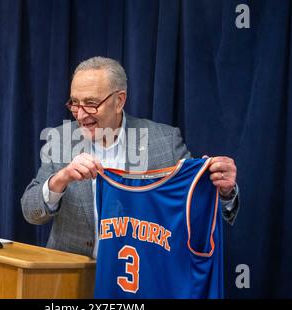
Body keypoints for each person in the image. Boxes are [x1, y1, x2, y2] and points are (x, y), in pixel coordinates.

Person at [21, 56, 239, 258]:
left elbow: (197, 210)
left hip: (141, 281)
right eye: (74, 103)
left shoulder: (164, 141)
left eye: (91, 103)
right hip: (73, 280)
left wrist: (224, 192)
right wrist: (61, 179)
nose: (80, 114)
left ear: (119, 101)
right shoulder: (61, 139)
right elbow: (31, 212)